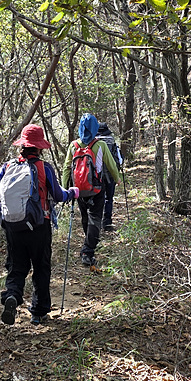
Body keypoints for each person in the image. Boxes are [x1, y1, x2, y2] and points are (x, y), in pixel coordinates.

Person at [0, 124, 79, 325]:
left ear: (22, 145)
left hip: (13, 226)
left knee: (16, 267)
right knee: (41, 266)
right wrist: (72, 193)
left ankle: (12, 296)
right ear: (39, 147)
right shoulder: (43, 168)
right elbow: (58, 195)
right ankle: (38, 312)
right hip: (39, 225)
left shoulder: (7, 167)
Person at [61, 114, 122, 268]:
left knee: (85, 217)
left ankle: (89, 243)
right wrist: (117, 178)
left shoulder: (73, 145)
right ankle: (88, 251)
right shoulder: (100, 145)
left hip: (78, 190)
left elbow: (66, 168)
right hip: (96, 189)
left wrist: (65, 188)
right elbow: (111, 164)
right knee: (95, 218)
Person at [96, 122, 123, 231]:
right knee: (109, 198)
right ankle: (107, 223)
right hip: (110, 174)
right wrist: (117, 175)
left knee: (98, 198)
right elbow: (119, 160)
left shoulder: (93, 143)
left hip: (96, 175)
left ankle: (96, 223)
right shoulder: (112, 141)